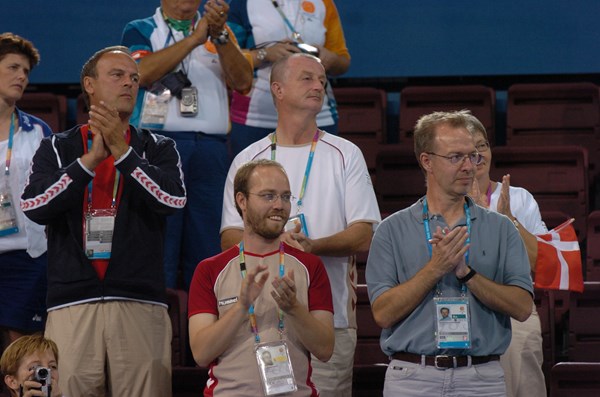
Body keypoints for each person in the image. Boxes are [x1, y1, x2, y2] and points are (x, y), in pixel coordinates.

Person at [21, 46, 186, 397]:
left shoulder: (158, 146)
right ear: (89, 85)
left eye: (134, 78)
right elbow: (34, 205)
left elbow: (172, 199)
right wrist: (88, 162)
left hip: (140, 304)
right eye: (117, 75)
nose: (129, 83)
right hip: (72, 306)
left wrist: (123, 154)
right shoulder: (56, 147)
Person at [220, 53, 380, 397]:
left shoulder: (344, 153)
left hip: (329, 319)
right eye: (307, 78)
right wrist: (279, 246)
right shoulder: (247, 158)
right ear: (277, 89)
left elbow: (364, 234)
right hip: (259, 319)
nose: (319, 86)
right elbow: (229, 237)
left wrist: (312, 247)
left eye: (322, 80)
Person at [366, 111, 534, 397]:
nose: (469, 166)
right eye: (456, 157)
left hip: (481, 378)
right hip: (412, 379)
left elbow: (522, 308)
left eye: (473, 156)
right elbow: (382, 313)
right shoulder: (390, 230)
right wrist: (436, 268)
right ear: (427, 161)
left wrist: (467, 274)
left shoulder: (502, 228)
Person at [121, 0, 253, 289]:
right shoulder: (141, 29)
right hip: (158, 148)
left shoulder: (223, 32)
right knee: (160, 244)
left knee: (207, 247)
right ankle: (159, 328)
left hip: (211, 149)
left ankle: (205, 330)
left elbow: (244, 81)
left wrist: (218, 35)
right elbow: (140, 73)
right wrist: (195, 39)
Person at [189, 159, 334, 396]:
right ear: (242, 201)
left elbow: (326, 349)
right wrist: (241, 307)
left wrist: (294, 308)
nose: (279, 205)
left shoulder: (310, 265)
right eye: (268, 196)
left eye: (286, 197)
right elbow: (202, 353)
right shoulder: (210, 270)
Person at [465, 111, 547, 397]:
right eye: (468, 148)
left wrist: (508, 218)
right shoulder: (441, 203)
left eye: (482, 145)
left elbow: (539, 262)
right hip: (462, 313)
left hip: (515, 312)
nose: (477, 154)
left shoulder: (520, 198)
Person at [227, 0, 351, 158]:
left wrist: (330, 58)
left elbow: (343, 61)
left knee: (318, 181)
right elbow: (225, 57)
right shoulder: (242, 4)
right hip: (256, 118)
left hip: (318, 117)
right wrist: (264, 54)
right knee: (256, 182)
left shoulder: (323, 3)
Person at [0, 33, 51, 349]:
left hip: (30, 256)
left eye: (26, 71)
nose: (22, 76)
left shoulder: (39, 132)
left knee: (28, 353)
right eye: (13, 67)